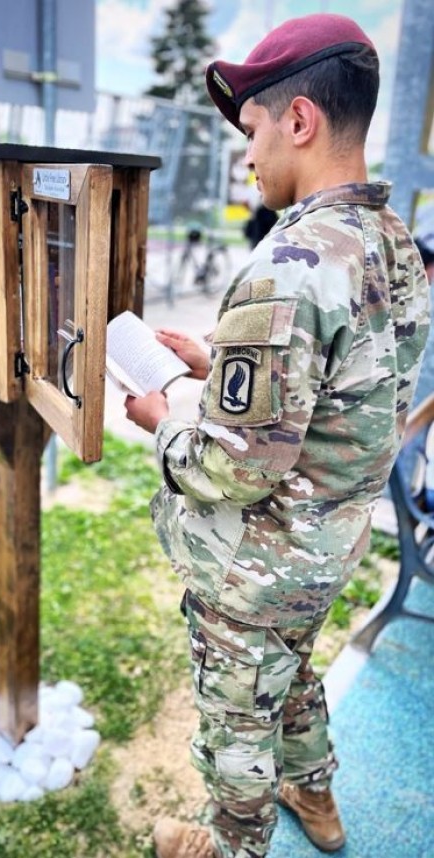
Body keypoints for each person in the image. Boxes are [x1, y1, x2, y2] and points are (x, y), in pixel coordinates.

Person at [124, 13, 430, 858]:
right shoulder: (392, 243)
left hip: (258, 567)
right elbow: (350, 378)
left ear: (300, 121)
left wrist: (162, 423)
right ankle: (318, 800)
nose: (247, 155)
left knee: (235, 719)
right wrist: (220, 355)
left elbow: (231, 470)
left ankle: (231, 846)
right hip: (328, 544)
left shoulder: (289, 265)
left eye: (253, 130)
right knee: (290, 676)